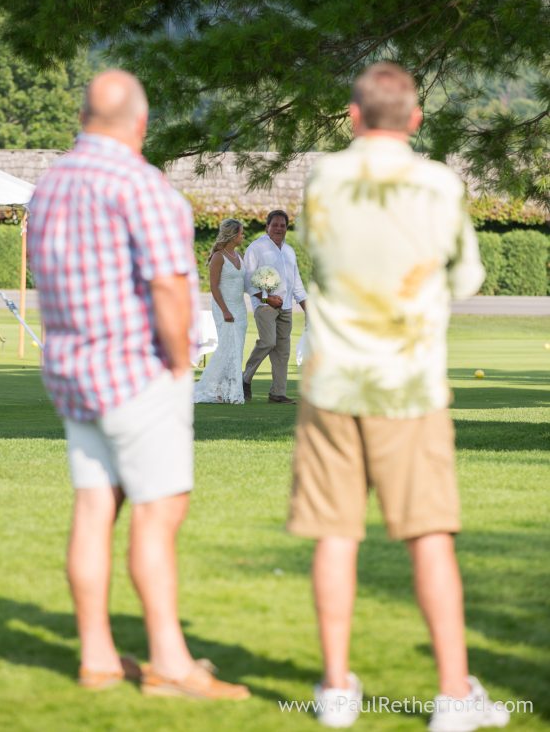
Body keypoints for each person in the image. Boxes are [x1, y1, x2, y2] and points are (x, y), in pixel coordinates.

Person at [288, 62, 509, 730]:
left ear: (353, 116)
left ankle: (335, 691)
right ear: (414, 119)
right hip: (410, 386)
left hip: (332, 382)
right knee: (428, 536)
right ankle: (452, 696)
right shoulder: (439, 184)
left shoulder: (324, 178)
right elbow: (466, 276)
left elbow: (315, 262)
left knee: (335, 534)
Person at [28, 69, 248, 701]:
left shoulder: (50, 185)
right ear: (141, 124)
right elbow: (167, 288)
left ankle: (97, 657)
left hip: (73, 372)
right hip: (137, 373)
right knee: (158, 514)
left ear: (84, 117)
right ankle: (169, 663)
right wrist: (181, 364)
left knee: (95, 508)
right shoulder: (143, 187)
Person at [242, 210, 307, 404]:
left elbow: (296, 283)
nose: (279, 228)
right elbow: (248, 280)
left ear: (287, 228)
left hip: (286, 308)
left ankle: (277, 393)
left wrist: (306, 307)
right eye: (275, 225)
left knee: (283, 351)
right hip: (265, 306)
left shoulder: (289, 251)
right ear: (267, 227)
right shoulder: (256, 248)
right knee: (268, 342)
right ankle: (245, 378)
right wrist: (266, 298)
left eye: (283, 225)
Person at [194, 218, 247, 404]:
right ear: (232, 235)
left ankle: (225, 391)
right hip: (225, 309)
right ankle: (214, 389)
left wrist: (267, 298)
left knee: (236, 350)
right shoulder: (219, 257)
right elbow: (214, 287)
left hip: (240, 311)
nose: (243, 236)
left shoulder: (239, 256)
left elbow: (246, 286)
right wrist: (225, 310)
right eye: (241, 233)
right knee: (226, 349)